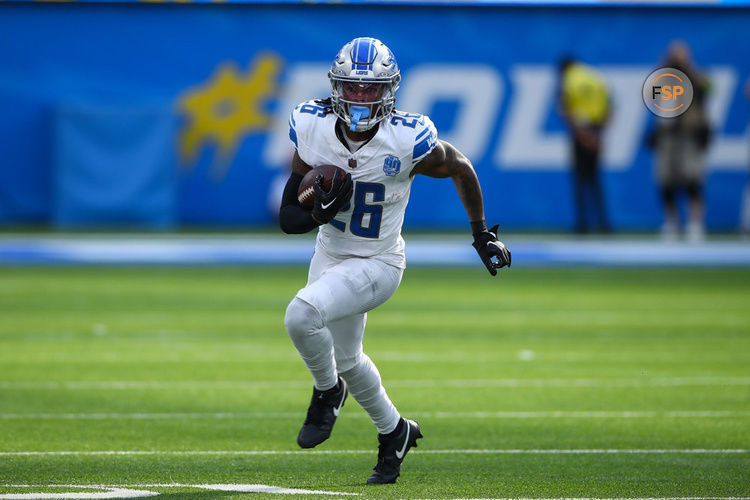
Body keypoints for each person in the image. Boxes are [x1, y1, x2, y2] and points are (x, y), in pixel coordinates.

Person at [278, 37, 511, 485]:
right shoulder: (313, 126)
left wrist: (481, 234)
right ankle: (396, 431)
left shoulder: (405, 137)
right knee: (347, 358)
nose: (361, 97)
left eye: (371, 89)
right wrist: (316, 213)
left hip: (378, 262)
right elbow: (289, 216)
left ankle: (327, 392)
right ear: (336, 87)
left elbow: (461, 166)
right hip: (330, 254)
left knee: (299, 316)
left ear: (389, 90)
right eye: (352, 87)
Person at [649, 41, 711, 242]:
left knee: (693, 179)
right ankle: (671, 222)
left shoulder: (696, 78)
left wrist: (687, 70)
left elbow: (707, 90)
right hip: (667, 135)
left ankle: (695, 223)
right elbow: (652, 96)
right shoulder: (663, 78)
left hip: (688, 134)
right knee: (665, 180)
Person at [558, 56, 611, 234]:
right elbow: (609, 106)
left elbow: (566, 108)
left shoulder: (570, 80)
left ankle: (582, 225)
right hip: (596, 130)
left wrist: (582, 136)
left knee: (580, 180)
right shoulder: (596, 78)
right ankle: (603, 224)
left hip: (580, 132)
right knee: (595, 180)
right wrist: (597, 135)